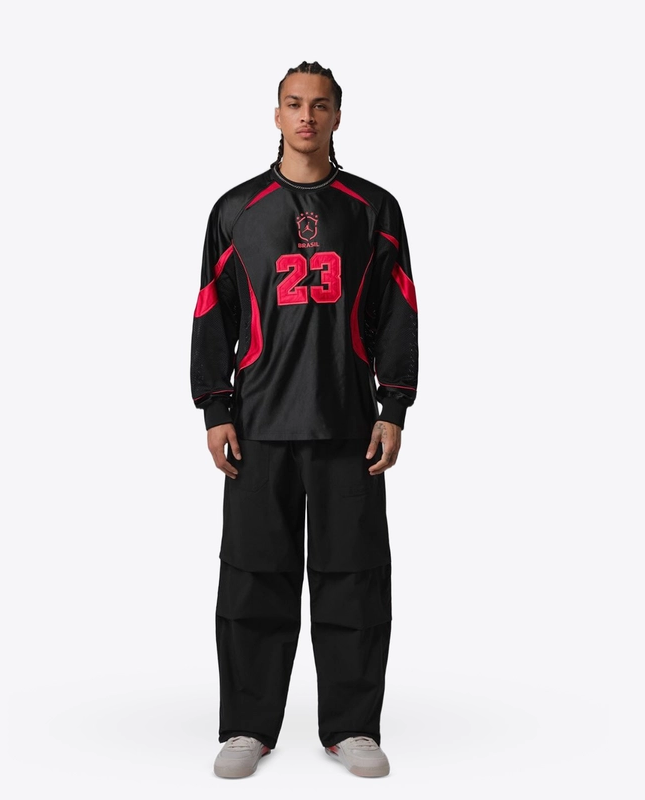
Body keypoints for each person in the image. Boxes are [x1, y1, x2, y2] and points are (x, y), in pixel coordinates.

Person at [190, 60, 418, 779]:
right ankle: (247, 727)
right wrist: (216, 407)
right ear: (277, 114)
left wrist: (393, 405)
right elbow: (210, 311)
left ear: (338, 116)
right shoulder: (236, 209)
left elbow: (399, 309)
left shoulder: (373, 208)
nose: (307, 117)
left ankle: (351, 727)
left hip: (348, 423)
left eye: (320, 105)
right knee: (252, 579)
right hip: (258, 424)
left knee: (354, 578)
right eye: (294, 104)